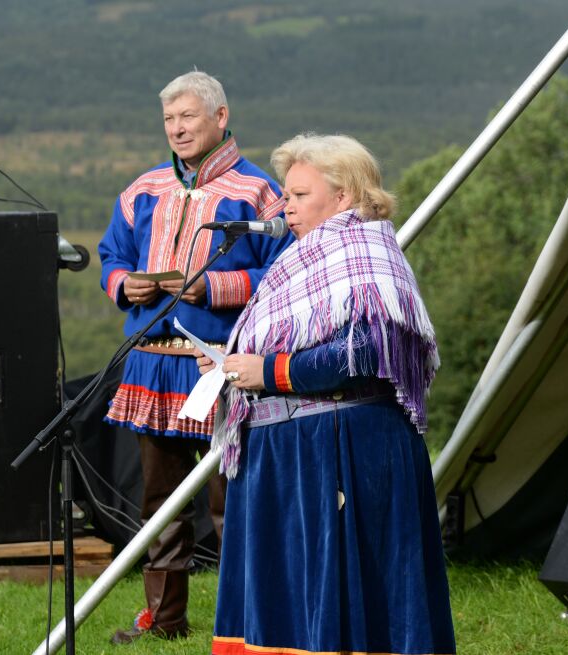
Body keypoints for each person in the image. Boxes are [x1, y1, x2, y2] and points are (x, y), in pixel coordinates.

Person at [198, 134, 456, 655]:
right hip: (284, 452)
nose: (285, 207)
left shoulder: (365, 252)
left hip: (338, 447)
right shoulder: (301, 260)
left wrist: (268, 369)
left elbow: (362, 351)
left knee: (342, 605)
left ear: (343, 196)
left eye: (298, 195)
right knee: (285, 602)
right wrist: (230, 365)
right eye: (285, 196)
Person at [97, 71, 293, 645]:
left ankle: (247, 621)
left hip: (221, 366)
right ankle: (163, 620)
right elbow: (113, 253)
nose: (177, 129)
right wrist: (123, 283)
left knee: (231, 500)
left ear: (220, 117)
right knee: (160, 501)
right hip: (151, 363)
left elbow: (284, 276)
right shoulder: (142, 189)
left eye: (187, 117)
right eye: (169, 120)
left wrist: (213, 288)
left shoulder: (261, 193)